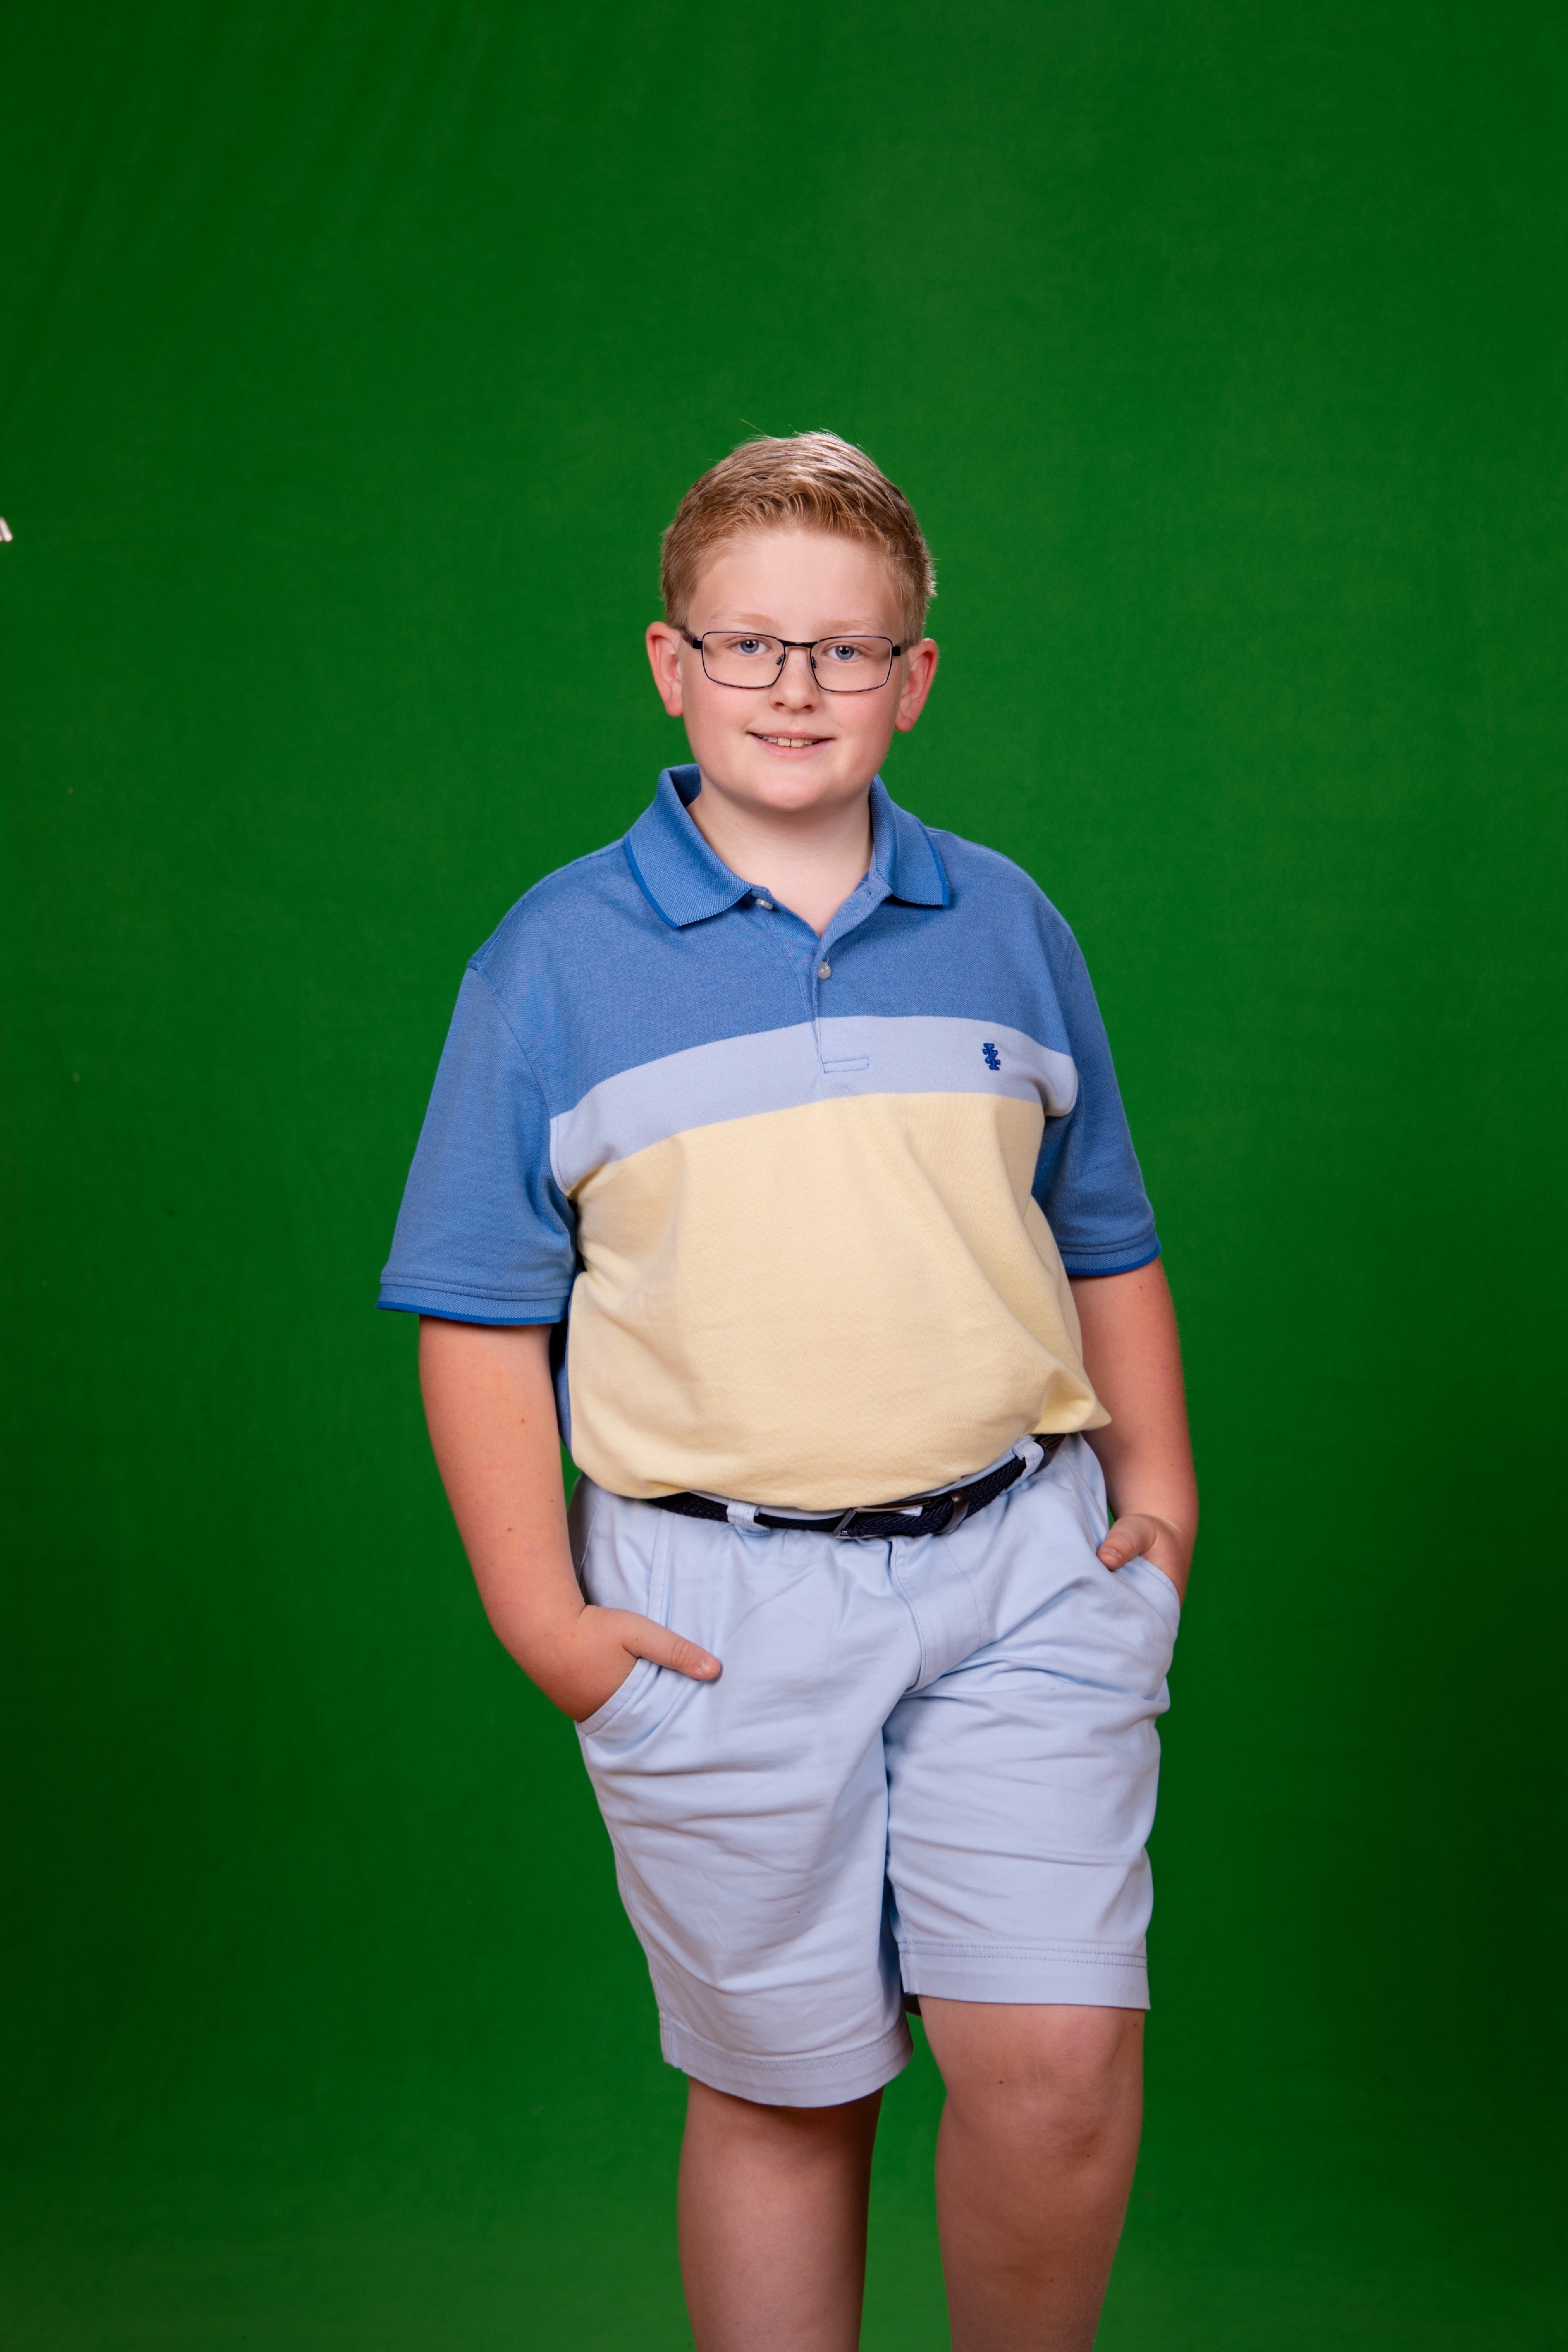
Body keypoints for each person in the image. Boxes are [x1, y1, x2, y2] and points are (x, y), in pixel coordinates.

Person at [379, 432, 1197, 2352]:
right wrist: (546, 1621)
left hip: (1024, 1568)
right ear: (672, 665)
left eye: (846, 649)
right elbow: (480, 1312)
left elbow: (1103, 1233)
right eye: (750, 644)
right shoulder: (554, 962)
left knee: (1061, 2062)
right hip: (716, 1605)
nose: (797, 687)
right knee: (786, 2091)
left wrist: (1159, 1500)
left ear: (916, 677)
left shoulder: (1006, 923)